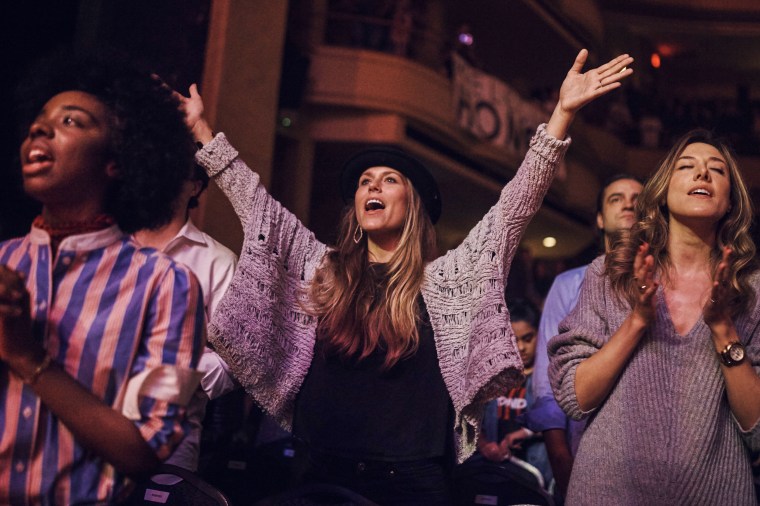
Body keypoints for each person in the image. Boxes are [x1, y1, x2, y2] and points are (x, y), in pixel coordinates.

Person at [181, 49, 633, 504]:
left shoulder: (449, 278)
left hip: (413, 482)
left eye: (389, 179)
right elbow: (256, 203)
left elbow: (516, 205)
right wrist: (202, 130)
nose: (372, 186)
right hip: (319, 470)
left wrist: (562, 113)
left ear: (413, 205)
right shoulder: (321, 268)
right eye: (364, 181)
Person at [0, 52, 206, 504]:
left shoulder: (166, 286)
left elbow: (147, 449)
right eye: (38, 120)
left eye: (71, 121)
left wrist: (26, 356)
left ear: (117, 161)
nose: (39, 128)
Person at [549, 129, 760, 504]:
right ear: (662, 191)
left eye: (717, 170)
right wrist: (638, 321)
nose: (702, 175)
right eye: (686, 166)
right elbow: (575, 398)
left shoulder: (752, 291)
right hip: (608, 492)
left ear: (731, 201)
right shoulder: (610, 273)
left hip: (714, 494)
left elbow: (757, 430)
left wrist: (723, 328)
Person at [527, 173, 643, 499]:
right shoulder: (569, 284)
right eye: (616, 198)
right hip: (582, 445)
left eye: (637, 199)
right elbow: (546, 376)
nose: (629, 205)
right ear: (600, 219)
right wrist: (561, 459)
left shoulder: (664, 283)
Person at [133, 164, 239, 472]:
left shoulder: (217, 260)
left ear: (194, 186)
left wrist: (176, 377)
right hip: (90, 420)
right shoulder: (112, 244)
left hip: (171, 437)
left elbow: (233, 361)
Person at [477, 298, 552, 488]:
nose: (520, 348)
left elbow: (558, 418)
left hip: (535, 476)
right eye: (513, 339)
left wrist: (524, 433)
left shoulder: (548, 375)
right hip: (496, 473)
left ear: (539, 334)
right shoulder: (493, 376)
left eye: (528, 338)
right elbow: (473, 421)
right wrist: (484, 445)